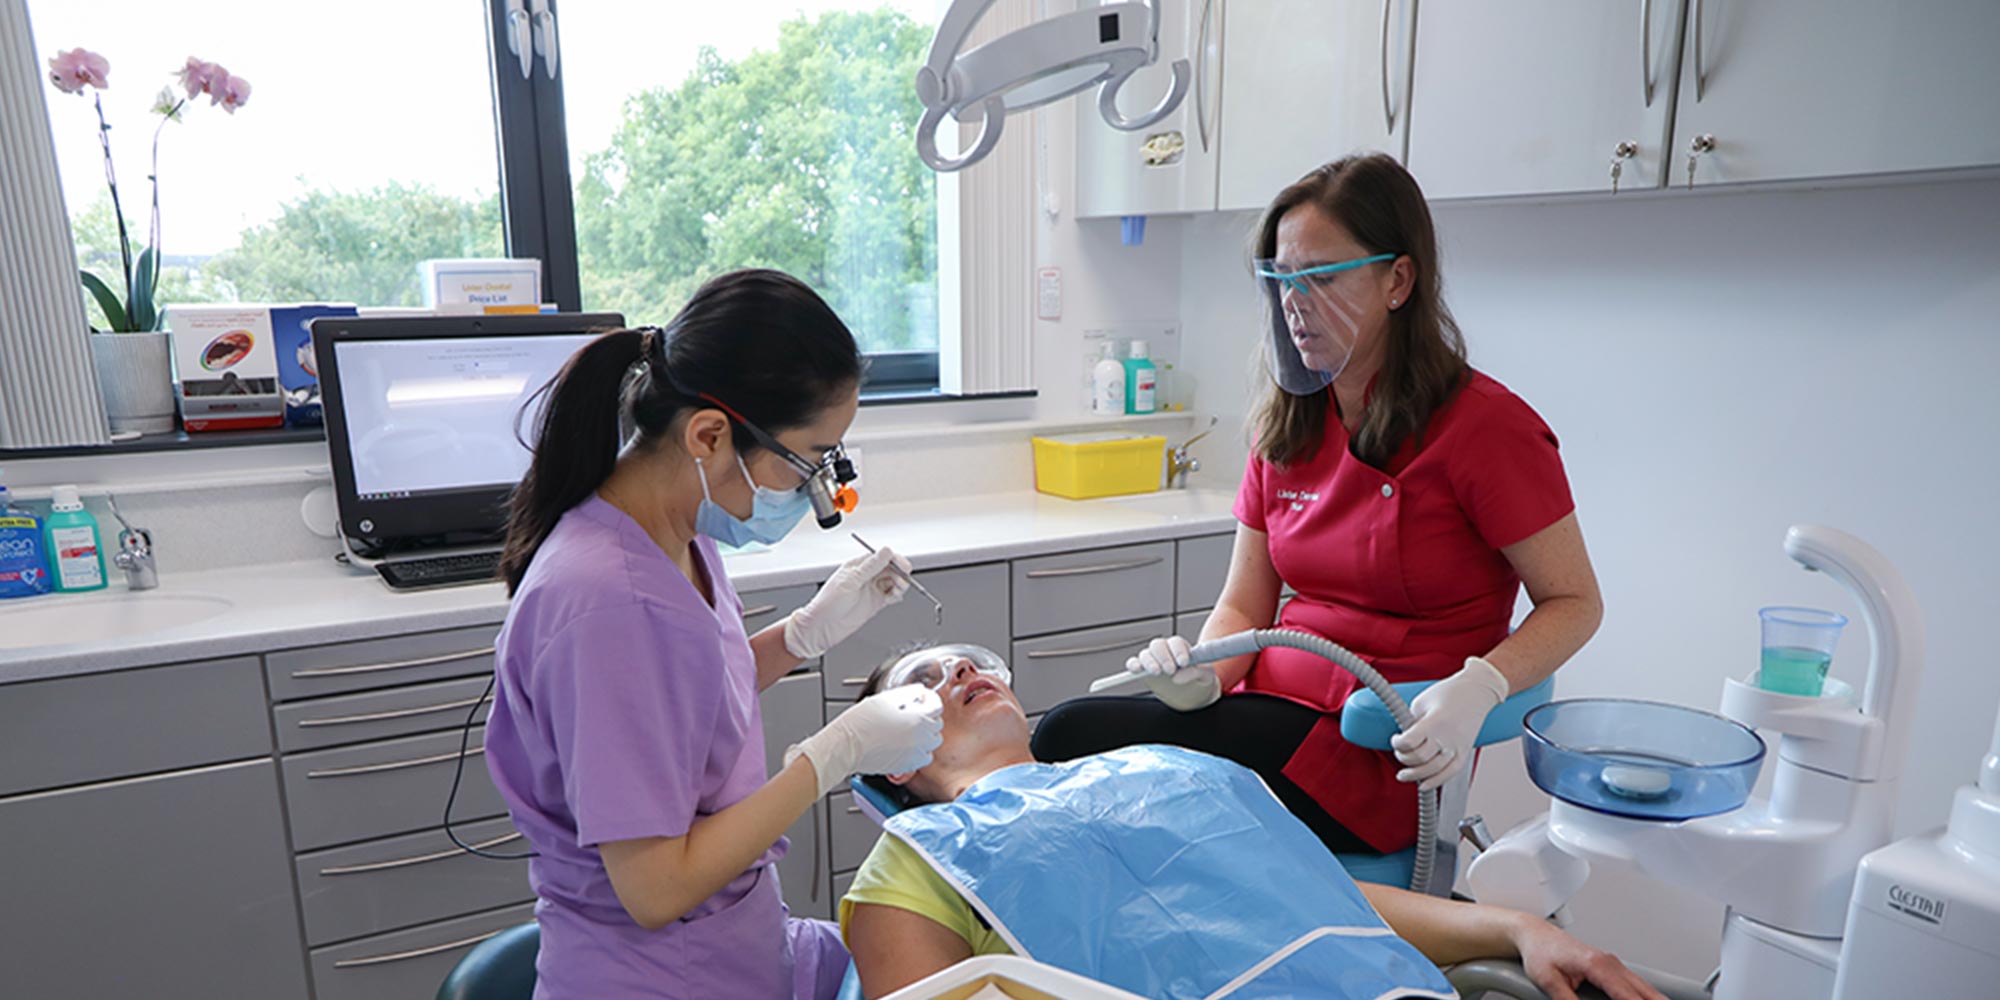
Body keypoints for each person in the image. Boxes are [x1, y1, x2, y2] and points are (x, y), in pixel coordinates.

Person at [1033, 152, 1604, 857]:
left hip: (1379, 749)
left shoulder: (1488, 429)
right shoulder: (1287, 423)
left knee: (1070, 738)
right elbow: (1244, 607)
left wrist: (1479, 687)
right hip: (1263, 717)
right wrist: (1200, 672)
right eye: (1281, 279)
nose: (1295, 303)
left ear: (1398, 280)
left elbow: (1576, 602)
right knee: (1077, 752)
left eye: (1322, 279)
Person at [483, 269, 947, 999]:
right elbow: (655, 887)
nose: (817, 492)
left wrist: (801, 636)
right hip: (660, 977)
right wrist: (833, 756)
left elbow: (676, 707)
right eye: (807, 463)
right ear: (708, 435)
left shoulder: (674, 534)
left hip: (738, 947)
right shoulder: (604, 602)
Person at [841, 647, 1661, 1000]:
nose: (960, 670)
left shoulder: (1170, 768)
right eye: (923, 681)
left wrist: (1517, 928)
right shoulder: (916, 865)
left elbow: (1326, 902)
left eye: (973, 663)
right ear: (894, 762)